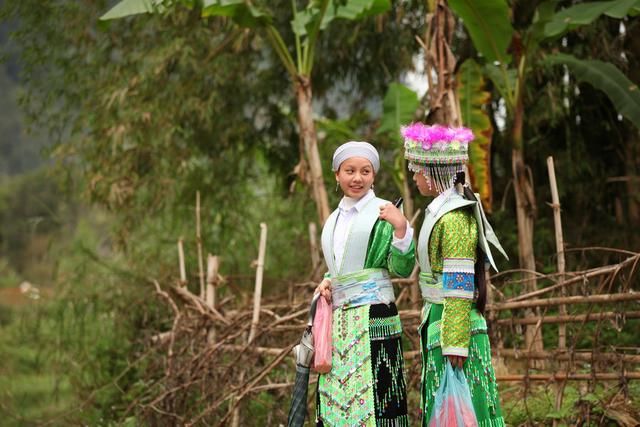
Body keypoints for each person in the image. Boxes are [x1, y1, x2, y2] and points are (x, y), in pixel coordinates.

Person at [400, 123, 508, 427]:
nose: (414, 176)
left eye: (417, 169)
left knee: (465, 407)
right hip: (440, 317)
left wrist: (456, 343)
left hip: (452, 323)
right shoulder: (439, 211)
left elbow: (459, 284)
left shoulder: (455, 218)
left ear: (434, 173)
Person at [315, 141, 415, 427]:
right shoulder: (332, 220)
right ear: (336, 174)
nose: (357, 178)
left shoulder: (385, 212)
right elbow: (339, 268)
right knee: (335, 403)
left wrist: (400, 228)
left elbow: (401, 268)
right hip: (339, 326)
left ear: (373, 175)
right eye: (350, 171)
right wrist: (326, 282)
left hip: (375, 318)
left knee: (380, 402)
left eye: (365, 171)